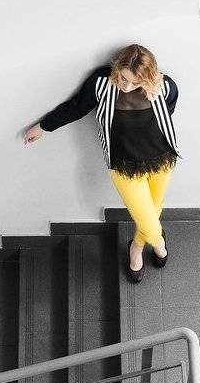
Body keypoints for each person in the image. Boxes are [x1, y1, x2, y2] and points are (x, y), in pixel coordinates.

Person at [23, 44, 179, 283]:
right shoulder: (100, 82)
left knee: (153, 209)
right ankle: (157, 244)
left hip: (162, 160)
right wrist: (43, 127)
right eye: (124, 78)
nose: (127, 86)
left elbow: (168, 112)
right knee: (148, 219)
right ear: (117, 67)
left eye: (135, 83)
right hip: (124, 166)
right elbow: (76, 108)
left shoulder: (166, 86)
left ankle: (137, 245)